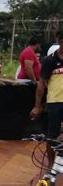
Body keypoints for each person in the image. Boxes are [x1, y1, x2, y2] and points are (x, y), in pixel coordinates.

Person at [30, 32, 63, 168]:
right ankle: (50, 165)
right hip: (54, 102)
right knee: (52, 135)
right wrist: (37, 106)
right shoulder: (50, 61)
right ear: (61, 41)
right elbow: (41, 83)